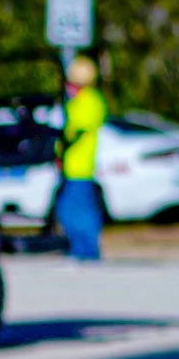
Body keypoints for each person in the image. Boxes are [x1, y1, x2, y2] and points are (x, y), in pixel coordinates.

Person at [55, 55, 109, 261]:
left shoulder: (89, 101)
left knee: (77, 211)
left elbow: (76, 131)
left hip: (81, 167)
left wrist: (61, 148)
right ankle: (79, 248)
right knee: (69, 210)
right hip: (72, 166)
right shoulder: (80, 101)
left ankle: (86, 251)